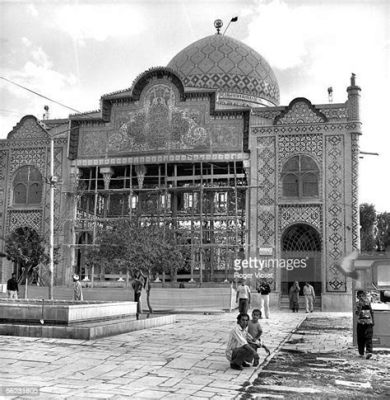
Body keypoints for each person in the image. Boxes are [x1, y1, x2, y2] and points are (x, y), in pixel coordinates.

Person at [356, 290, 374, 359]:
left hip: (368, 322)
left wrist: (373, 321)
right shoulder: (357, 304)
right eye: (359, 296)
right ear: (357, 297)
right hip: (360, 323)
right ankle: (361, 352)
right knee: (360, 338)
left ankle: (369, 352)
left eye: (362, 296)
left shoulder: (368, 303)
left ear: (365, 296)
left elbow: (371, 312)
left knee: (369, 337)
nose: (361, 297)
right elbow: (357, 314)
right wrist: (360, 307)